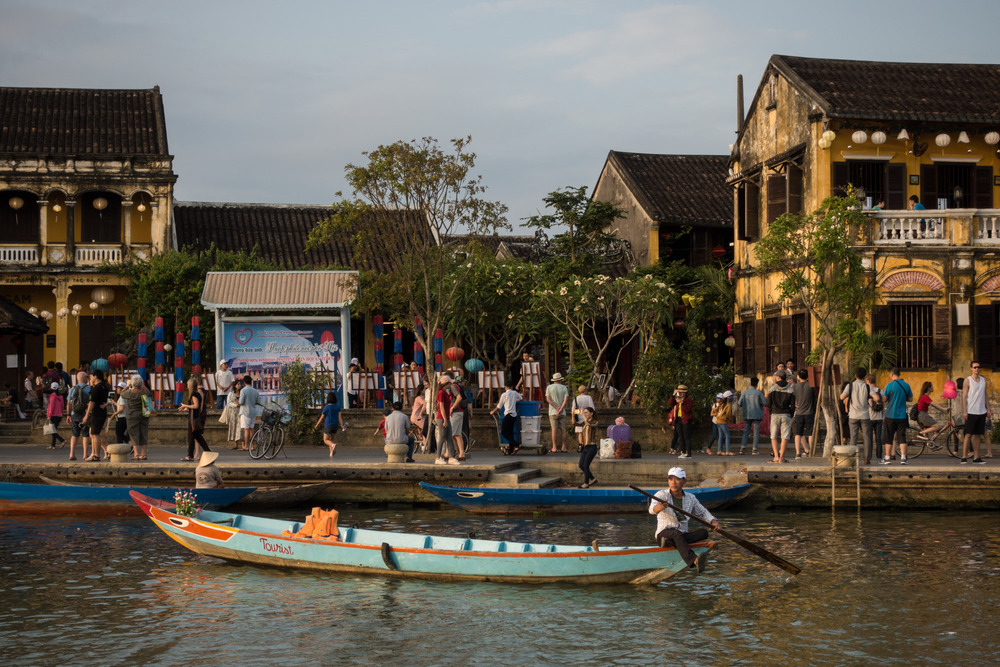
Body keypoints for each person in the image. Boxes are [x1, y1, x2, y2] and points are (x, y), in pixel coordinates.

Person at [648, 467, 719, 572]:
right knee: (676, 534)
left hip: (682, 534)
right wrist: (661, 507)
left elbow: (702, 512)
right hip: (664, 533)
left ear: (684, 481)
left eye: (677, 479)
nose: (673, 482)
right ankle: (694, 560)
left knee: (703, 533)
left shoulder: (691, 498)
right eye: (671, 479)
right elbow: (651, 510)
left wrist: (713, 521)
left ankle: (669, 542)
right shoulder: (661, 495)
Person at [962, 360, 992, 464]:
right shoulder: (967, 380)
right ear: (971, 368)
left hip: (981, 411)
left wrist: (988, 408)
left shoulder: (983, 380)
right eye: (975, 367)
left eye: (978, 367)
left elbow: (985, 395)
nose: (977, 369)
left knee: (978, 435)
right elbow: (964, 396)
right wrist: (965, 411)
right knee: (968, 434)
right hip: (971, 411)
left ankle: (976, 457)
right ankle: (964, 456)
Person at [881, 367, 913, 465]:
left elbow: (884, 399)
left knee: (889, 437)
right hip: (902, 415)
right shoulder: (906, 385)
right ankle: (903, 458)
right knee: (902, 437)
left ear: (891, 374)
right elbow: (911, 399)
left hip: (890, 415)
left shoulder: (890, 385)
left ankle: (887, 458)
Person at [81, 369, 110, 461]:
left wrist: (86, 415)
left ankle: (96, 455)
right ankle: (96, 452)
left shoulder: (97, 388)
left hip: (97, 413)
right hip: (100, 412)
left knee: (95, 434)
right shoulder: (104, 387)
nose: (91, 378)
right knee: (92, 433)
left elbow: (92, 402)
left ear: (95, 376)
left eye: (92, 376)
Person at [120, 375, 151, 460]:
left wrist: (128, 385)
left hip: (132, 416)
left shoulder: (130, 393)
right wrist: (143, 385)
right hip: (143, 415)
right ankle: (144, 454)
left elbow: (121, 393)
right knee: (143, 433)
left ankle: (136, 454)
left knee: (134, 434)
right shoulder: (143, 392)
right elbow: (149, 393)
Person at [766, 370, 795, 463]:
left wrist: (771, 412)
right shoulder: (790, 389)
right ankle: (782, 457)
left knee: (773, 436)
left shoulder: (772, 389)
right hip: (786, 414)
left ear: (778, 377)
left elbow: (768, 403)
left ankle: (776, 456)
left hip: (775, 414)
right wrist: (790, 414)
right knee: (785, 436)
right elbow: (793, 405)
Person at [179, 376, 210, 461]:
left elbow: (196, 406)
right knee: (198, 437)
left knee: (191, 437)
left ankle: (190, 455)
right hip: (194, 417)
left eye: (188, 385)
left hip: (193, 419)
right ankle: (208, 451)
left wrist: (185, 405)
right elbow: (194, 406)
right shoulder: (196, 394)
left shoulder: (194, 394)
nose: (187, 386)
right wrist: (186, 409)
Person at [490, 379, 522, 455]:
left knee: (504, 432)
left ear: (505, 387)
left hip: (507, 415)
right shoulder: (515, 393)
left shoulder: (504, 395)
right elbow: (520, 398)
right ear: (512, 387)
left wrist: (492, 411)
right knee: (510, 432)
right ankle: (511, 449)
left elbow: (499, 406)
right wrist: (514, 400)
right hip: (514, 415)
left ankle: (516, 444)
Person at [434, 374, 459, 465]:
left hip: (446, 417)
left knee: (449, 437)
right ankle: (438, 457)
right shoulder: (441, 393)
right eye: (449, 383)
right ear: (446, 384)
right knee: (441, 437)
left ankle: (451, 457)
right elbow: (441, 407)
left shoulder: (445, 392)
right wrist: (445, 419)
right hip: (442, 418)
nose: (450, 385)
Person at [67, 371, 92, 460]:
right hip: (85, 414)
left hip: (74, 414)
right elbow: (91, 402)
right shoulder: (89, 388)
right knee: (85, 434)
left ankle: (72, 454)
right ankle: (85, 455)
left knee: (74, 434)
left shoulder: (73, 389)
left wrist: (68, 415)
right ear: (85, 378)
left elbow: (69, 403)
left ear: (77, 379)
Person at [738, 377, 766, 455]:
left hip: (747, 414)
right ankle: (754, 449)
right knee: (756, 432)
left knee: (746, 431)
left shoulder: (744, 392)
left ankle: (742, 448)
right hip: (757, 414)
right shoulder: (759, 393)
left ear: (750, 383)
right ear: (757, 384)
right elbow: (765, 403)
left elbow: (739, 403)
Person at [791, 370, 814, 459]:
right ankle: (811, 451)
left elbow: (792, 399)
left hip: (799, 412)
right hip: (809, 412)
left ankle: (798, 453)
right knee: (810, 433)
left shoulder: (794, 387)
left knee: (798, 433)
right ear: (807, 376)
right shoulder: (811, 386)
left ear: (798, 377)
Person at [545, 372, 570, 453]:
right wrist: (561, 409)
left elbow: (548, 400)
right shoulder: (564, 388)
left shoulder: (549, 387)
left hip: (552, 411)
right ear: (560, 380)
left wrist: (556, 408)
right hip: (562, 412)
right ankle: (564, 447)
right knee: (563, 429)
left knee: (554, 430)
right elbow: (565, 400)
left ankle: (554, 447)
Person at [667, 385, 694, 458]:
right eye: (679, 392)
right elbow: (670, 403)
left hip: (686, 420)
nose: (680, 394)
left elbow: (687, 410)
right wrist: (673, 395)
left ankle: (689, 453)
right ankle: (683, 452)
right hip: (678, 419)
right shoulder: (677, 400)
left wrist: (682, 403)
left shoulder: (688, 400)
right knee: (681, 437)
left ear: (685, 393)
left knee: (686, 437)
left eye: (682, 392)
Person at [314, 391, 341, 457]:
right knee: (331, 439)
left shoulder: (326, 407)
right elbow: (340, 417)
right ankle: (331, 453)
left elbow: (322, 417)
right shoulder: (337, 407)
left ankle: (332, 445)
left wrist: (317, 424)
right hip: (335, 425)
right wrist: (342, 425)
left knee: (326, 440)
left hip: (328, 425)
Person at [577, 407, 599, 488]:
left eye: (586, 413)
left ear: (591, 413)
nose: (585, 414)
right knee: (581, 465)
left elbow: (589, 425)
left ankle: (586, 483)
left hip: (592, 447)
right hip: (586, 447)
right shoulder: (584, 422)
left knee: (586, 465)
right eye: (584, 413)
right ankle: (592, 478)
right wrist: (573, 415)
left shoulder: (595, 422)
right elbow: (575, 423)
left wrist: (584, 418)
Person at [238, 375, 261, 451]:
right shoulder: (255, 391)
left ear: (244, 382)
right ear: (251, 382)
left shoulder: (243, 390)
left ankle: (246, 446)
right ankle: (252, 446)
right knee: (252, 429)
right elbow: (257, 402)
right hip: (253, 412)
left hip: (245, 412)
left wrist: (237, 402)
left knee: (246, 430)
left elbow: (241, 402)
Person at [865, 374, 884, 461]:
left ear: (868, 381)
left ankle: (869, 455)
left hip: (869, 417)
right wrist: (882, 416)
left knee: (869, 437)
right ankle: (879, 455)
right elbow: (882, 405)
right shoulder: (880, 391)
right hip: (879, 417)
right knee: (878, 438)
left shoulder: (867, 390)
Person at [449, 373, 468, 461]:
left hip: (456, 412)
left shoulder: (453, 386)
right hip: (460, 412)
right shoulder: (460, 387)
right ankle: (461, 453)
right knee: (458, 434)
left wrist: (452, 408)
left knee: (450, 433)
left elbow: (459, 398)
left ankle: (450, 453)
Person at [571, 385, 596, 450]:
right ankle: (586, 444)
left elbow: (573, 410)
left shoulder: (576, 398)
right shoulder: (588, 398)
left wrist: (573, 417)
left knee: (580, 432)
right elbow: (592, 408)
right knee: (587, 431)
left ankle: (580, 445)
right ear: (585, 391)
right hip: (587, 416)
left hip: (579, 417)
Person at [46, 381, 67, 451]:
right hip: (59, 415)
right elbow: (62, 406)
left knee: (52, 431)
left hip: (53, 415)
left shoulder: (52, 396)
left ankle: (62, 440)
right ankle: (53, 445)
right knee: (54, 430)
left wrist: (49, 415)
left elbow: (51, 406)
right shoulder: (61, 396)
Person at [108, 381, 130, 446]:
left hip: (121, 418)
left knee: (119, 434)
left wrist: (114, 414)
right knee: (120, 434)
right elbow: (120, 406)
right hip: (124, 417)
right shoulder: (123, 397)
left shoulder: (122, 397)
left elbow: (122, 408)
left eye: (119, 388)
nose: (117, 390)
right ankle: (130, 444)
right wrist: (114, 403)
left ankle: (122, 447)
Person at [410, 382, 427, 451]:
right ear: (421, 390)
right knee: (427, 428)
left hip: (418, 417)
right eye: (424, 389)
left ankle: (423, 440)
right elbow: (425, 404)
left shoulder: (422, 397)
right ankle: (424, 444)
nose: (425, 391)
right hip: (416, 417)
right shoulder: (419, 398)